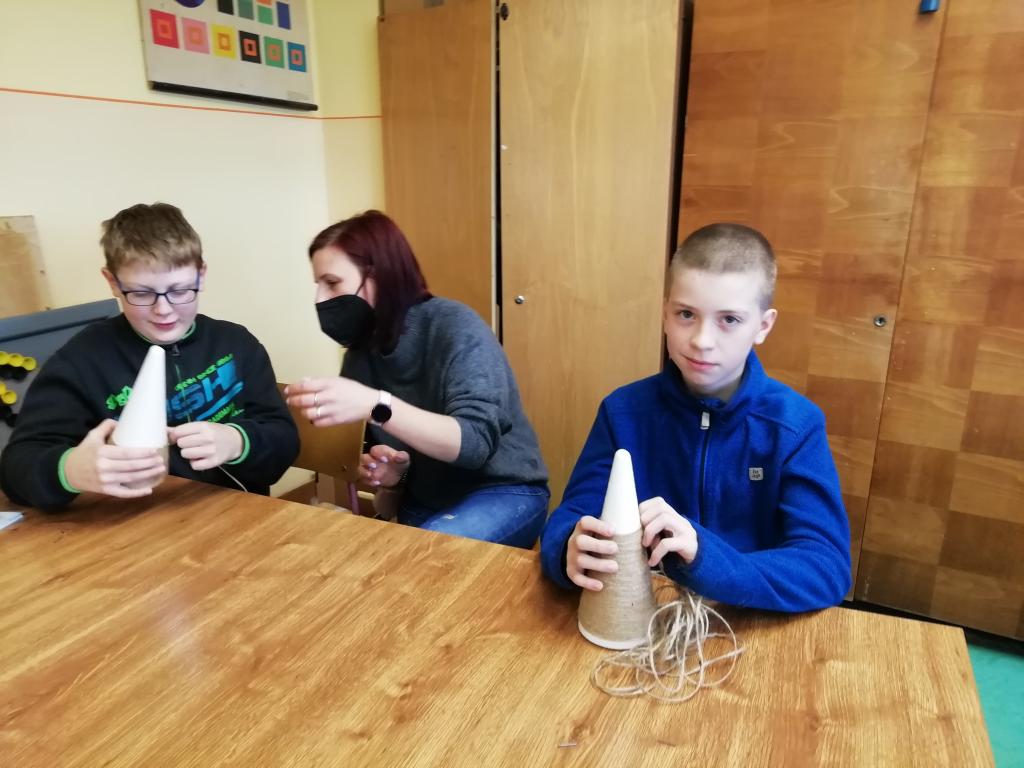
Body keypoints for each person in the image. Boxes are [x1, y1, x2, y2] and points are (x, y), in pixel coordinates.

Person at [539, 223, 851, 611]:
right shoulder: (623, 411)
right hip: (639, 615)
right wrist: (567, 547)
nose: (702, 340)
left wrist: (706, 557)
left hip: (749, 620)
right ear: (665, 314)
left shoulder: (796, 426)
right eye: (686, 314)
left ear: (763, 326)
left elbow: (826, 567)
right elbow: (572, 516)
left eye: (729, 320)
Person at [0, 203, 299, 509]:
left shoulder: (236, 343)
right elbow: (16, 468)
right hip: (137, 523)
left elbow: (284, 440)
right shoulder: (80, 362)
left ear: (201, 275)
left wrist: (237, 441)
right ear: (113, 283)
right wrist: (69, 470)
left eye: (180, 291)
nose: (163, 310)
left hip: (242, 513)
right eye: (141, 293)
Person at [285, 210, 548, 548]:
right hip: (427, 500)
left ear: (380, 276)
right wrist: (394, 476)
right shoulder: (360, 359)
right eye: (317, 286)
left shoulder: (455, 327)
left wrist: (376, 404)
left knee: (420, 561)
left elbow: (474, 445)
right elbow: (391, 484)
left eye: (332, 283)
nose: (319, 300)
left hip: (504, 490)